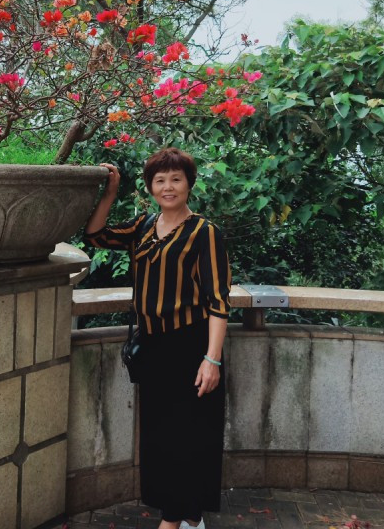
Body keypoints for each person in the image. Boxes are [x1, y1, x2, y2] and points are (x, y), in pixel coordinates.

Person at [83, 147, 230, 529]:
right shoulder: (144, 226)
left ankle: (173, 519)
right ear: (150, 187)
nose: (168, 187)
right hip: (153, 346)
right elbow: (95, 235)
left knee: (188, 435)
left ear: (189, 184)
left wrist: (211, 359)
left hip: (191, 345)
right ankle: (190, 516)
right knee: (161, 437)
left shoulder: (204, 233)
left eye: (176, 179)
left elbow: (218, 301)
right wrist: (110, 193)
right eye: (160, 180)